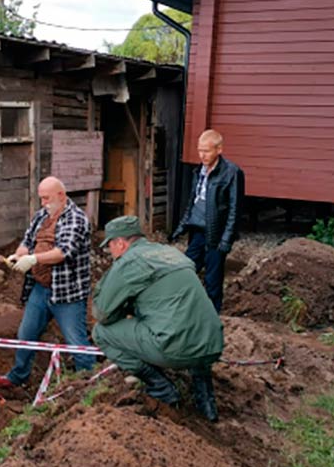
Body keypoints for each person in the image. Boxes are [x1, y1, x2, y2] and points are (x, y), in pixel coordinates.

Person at [93, 215, 224, 422]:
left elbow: (103, 314)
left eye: (110, 246)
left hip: (174, 349)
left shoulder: (129, 262)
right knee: (189, 320)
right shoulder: (169, 252)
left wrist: (124, 308)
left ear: (121, 242)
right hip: (212, 344)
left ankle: (161, 388)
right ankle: (206, 400)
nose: (110, 252)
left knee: (101, 332)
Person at [0, 177, 95, 387]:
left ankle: (89, 385)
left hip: (68, 294)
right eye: (41, 198)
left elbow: (63, 252)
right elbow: (27, 241)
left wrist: (34, 259)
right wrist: (19, 254)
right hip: (40, 288)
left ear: (61, 196)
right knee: (26, 334)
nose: (43, 203)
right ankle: (18, 376)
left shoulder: (76, 219)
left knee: (76, 342)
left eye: (46, 198)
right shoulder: (41, 216)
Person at [169, 129, 244, 312]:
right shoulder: (199, 171)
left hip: (216, 234)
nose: (202, 155)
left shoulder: (231, 173)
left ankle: (212, 316)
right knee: (186, 270)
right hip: (197, 231)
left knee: (212, 279)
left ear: (219, 149)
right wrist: (181, 227)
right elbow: (193, 202)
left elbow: (235, 209)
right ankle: (184, 310)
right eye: (200, 150)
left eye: (207, 151)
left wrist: (226, 239)